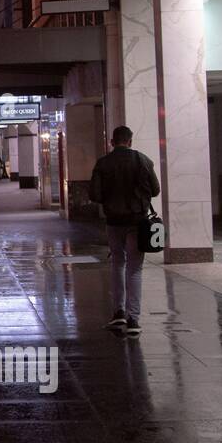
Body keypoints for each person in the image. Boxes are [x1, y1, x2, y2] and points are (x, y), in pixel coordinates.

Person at [90, 125, 161, 336]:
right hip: (137, 222)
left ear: (112, 142)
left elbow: (95, 194)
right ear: (130, 141)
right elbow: (156, 190)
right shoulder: (143, 161)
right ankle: (133, 318)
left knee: (117, 264)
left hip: (114, 222)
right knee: (135, 268)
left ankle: (118, 311)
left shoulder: (103, 163)